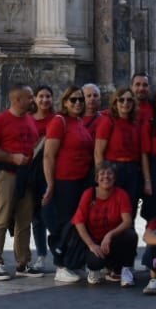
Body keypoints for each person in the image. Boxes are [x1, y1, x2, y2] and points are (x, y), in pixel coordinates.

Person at [0, 84, 42, 281]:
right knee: (2, 218)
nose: (33, 100)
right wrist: (12, 157)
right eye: (30, 97)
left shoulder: (30, 120)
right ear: (17, 100)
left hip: (26, 175)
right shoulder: (0, 120)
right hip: (7, 173)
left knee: (24, 221)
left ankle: (23, 262)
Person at [44, 86, 97, 280]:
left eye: (80, 100)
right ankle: (60, 265)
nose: (78, 103)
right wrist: (50, 184)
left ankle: (72, 261)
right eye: (73, 100)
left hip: (82, 180)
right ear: (65, 102)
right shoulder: (59, 121)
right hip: (65, 181)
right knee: (65, 222)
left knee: (78, 222)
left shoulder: (79, 122)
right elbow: (49, 155)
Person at [63, 163, 136, 287]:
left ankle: (125, 270)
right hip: (95, 241)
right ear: (96, 178)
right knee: (95, 262)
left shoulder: (121, 194)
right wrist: (91, 245)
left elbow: (127, 221)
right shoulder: (89, 194)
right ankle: (94, 269)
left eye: (110, 173)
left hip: (113, 240)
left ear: (115, 177)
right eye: (102, 174)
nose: (106, 177)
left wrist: (110, 235)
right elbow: (78, 221)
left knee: (130, 235)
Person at [95, 86, 145, 204]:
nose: (125, 103)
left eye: (129, 100)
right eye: (121, 100)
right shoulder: (108, 122)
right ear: (115, 102)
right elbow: (98, 152)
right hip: (113, 168)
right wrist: (101, 176)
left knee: (130, 205)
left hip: (132, 169)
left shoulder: (135, 124)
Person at [29, 84, 56, 263]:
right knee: (36, 216)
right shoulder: (28, 120)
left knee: (51, 214)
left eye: (48, 96)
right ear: (35, 99)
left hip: (52, 171)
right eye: (41, 96)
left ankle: (59, 251)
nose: (44, 100)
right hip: (32, 172)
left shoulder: (57, 119)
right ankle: (41, 253)